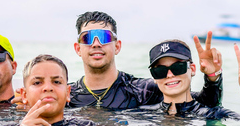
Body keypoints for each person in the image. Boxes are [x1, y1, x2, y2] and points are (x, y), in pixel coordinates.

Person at [69, 11, 223, 109]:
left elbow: (204, 105)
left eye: (105, 37)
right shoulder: (67, 95)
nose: (96, 44)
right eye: (87, 38)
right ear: (78, 48)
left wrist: (212, 77)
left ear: (117, 46)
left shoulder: (143, 91)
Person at [145, 38, 240, 124]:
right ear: (154, 77)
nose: (170, 75)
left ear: (192, 69)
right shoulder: (142, 114)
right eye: (160, 71)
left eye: (178, 67)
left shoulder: (214, 115)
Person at [18, 54, 93, 126]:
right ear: (24, 95)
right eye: (37, 83)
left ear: (68, 93)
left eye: (56, 82)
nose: (48, 88)